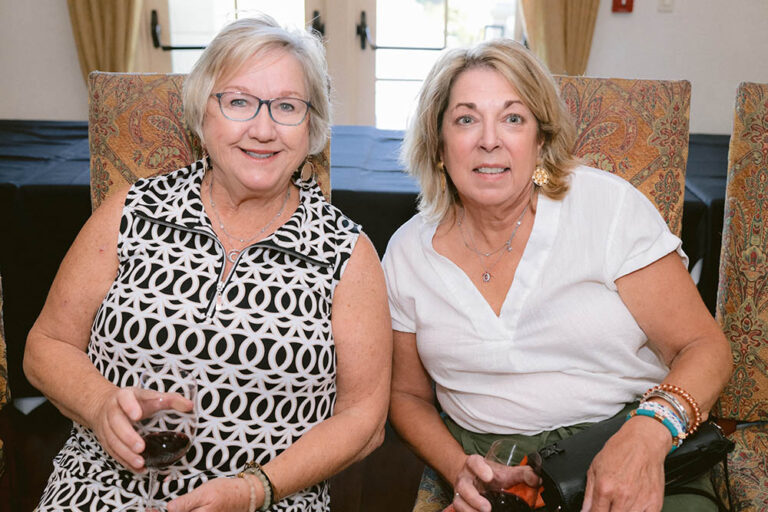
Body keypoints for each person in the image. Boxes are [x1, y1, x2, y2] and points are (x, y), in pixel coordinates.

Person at [24, 15, 391, 512]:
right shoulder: (133, 211)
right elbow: (46, 345)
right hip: (102, 489)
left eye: (287, 107)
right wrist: (98, 403)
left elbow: (363, 419)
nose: (263, 129)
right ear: (202, 114)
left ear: (312, 129)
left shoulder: (347, 253)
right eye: (239, 102)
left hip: (268, 498)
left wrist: (254, 489)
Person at [384, 38, 732, 512]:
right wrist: (458, 466)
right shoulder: (407, 252)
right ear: (440, 145)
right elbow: (406, 395)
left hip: (629, 436)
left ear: (541, 140)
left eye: (513, 118)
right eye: (466, 119)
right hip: (499, 470)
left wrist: (648, 434)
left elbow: (705, 348)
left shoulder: (605, 208)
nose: (490, 139)